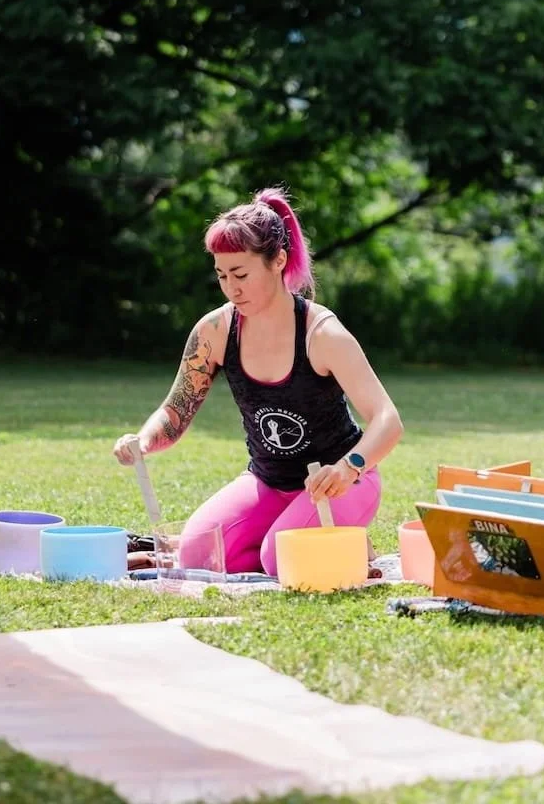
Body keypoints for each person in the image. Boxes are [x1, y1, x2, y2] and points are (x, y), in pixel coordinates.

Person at [113, 186, 403, 577]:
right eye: (221, 275)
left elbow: (387, 419)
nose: (231, 288)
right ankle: (290, 537)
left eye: (241, 274)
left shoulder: (322, 334)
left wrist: (349, 468)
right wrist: (143, 441)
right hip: (268, 481)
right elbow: (175, 410)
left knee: (281, 559)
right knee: (199, 557)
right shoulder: (215, 331)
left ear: (278, 260)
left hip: (340, 482)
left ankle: (342, 548)